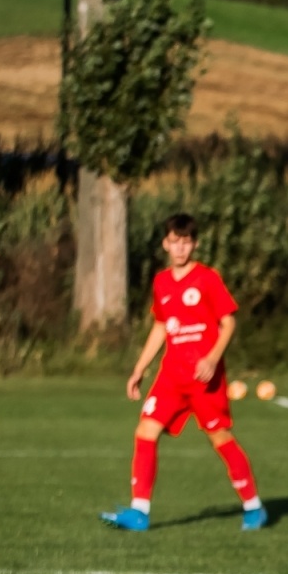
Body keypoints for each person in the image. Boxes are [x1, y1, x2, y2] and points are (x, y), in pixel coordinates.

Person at [100, 214, 265, 532]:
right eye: (174, 241)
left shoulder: (207, 278)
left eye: (186, 241)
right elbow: (162, 326)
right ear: (165, 244)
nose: (180, 248)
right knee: (145, 432)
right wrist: (139, 368)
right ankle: (139, 512)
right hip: (171, 377)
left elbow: (228, 322)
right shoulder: (161, 281)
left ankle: (253, 506)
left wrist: (213, 358)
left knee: (220, 438)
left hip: (204, 379)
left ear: (195, 244)